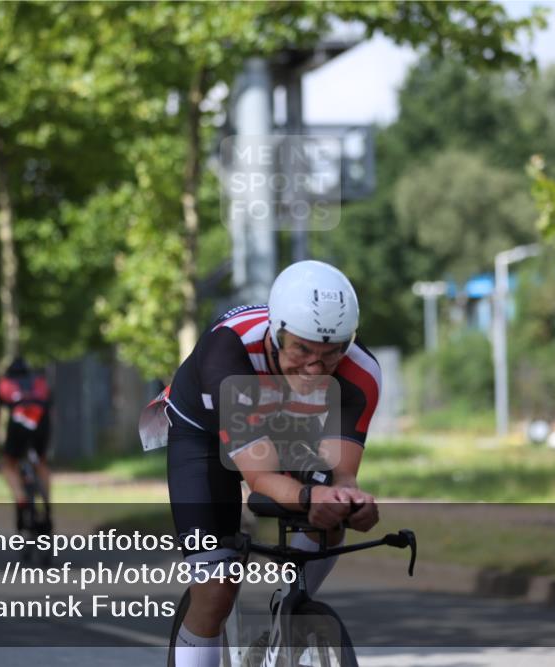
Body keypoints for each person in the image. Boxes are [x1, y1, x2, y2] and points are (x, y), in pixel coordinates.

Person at [147, 260, 382, 667]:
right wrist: (309, 496)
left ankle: (287, 617)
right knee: (216, 589)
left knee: (330, 514)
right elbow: (260, 477)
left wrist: (349, 501)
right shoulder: (227, 352)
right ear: (276, 333)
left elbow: (342, 474)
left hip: (288, 422)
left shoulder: (361, 374)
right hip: (203, 431)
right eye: (302, 349)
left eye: (331, 353)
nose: (314, 368)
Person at [0, 356, 53, 532]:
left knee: (8, 464)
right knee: (41, 462)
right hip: (41, 420)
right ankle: (47, 503)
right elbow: (51, 410)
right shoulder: (39, 382)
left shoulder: (4, 383)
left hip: (19, 419)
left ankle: (20, 496)